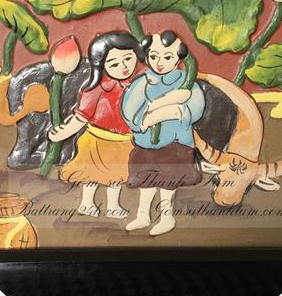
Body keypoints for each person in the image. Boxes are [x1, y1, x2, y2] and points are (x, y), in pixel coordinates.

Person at [47, 31, 142, 218]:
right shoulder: (96, 90)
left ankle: (113, 206)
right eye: (114, 63)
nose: (123, 67)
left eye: (128, 59)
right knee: (90, 175)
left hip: (123, 142)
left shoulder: (138, 87)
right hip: (97, 140)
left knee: (116, 177)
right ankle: (86, 203)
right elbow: (81, 117)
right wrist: (62, 133)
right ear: (101, 65)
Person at [121, 31, 205, 236]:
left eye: (167, 57)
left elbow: (197, 105)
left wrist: (176, 111)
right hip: (147, 143)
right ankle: (143, 214)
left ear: (179, 58)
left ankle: (167, 216)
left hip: (175, 143)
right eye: (154, 56)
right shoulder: (144, 81)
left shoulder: (186, 82)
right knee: (147, 179)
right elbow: (129, 107)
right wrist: (142, 121)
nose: (160, 63)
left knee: (168, 180)